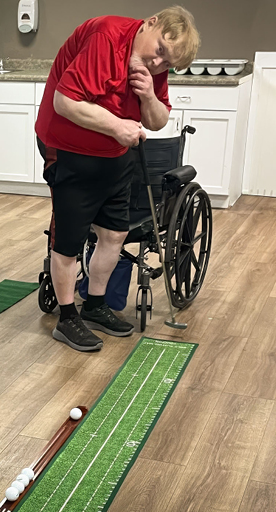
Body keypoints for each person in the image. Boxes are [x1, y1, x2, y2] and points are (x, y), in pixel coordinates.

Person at [36, 6, 200, 352]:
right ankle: (67, 318)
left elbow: (157, 121)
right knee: (69, 240)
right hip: (68, 149)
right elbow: (65, 101)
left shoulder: (154, 66)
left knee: (114, 234)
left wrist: (149, 95)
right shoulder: (106, 38)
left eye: (167, 64)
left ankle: (95, 306)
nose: (158, 63)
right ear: (151, 23)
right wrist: (116, 126)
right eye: (159, 51)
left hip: (115, 154)